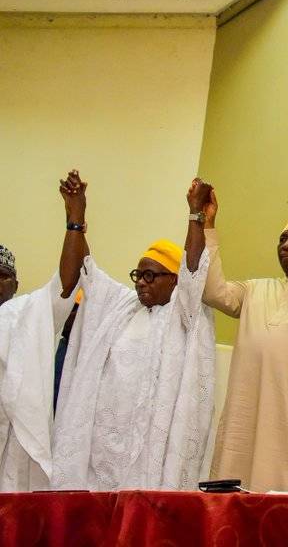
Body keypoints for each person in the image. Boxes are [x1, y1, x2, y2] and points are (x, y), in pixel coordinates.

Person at [51, 170, 216, 490]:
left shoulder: (182, 315)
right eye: (138, 275)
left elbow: (194, 269)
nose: (141, 282)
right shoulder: (122, 308)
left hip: (149, 459)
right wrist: (76, 217)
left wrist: (195, 214)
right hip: (103, 455)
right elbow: (84, 272)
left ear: (175, 279)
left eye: (150, 275)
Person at [201, 190, 288, 492]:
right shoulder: (255, 289)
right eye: (283, 239)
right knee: (237, 499)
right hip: (248, 424)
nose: (287, 245)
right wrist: (207, 225)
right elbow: (213, 292)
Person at [0, 244, 78, 490]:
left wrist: (74, 226)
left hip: (15, 448)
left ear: (15, 285)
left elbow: (64, 286)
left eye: (3, 276)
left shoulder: (27, 313)